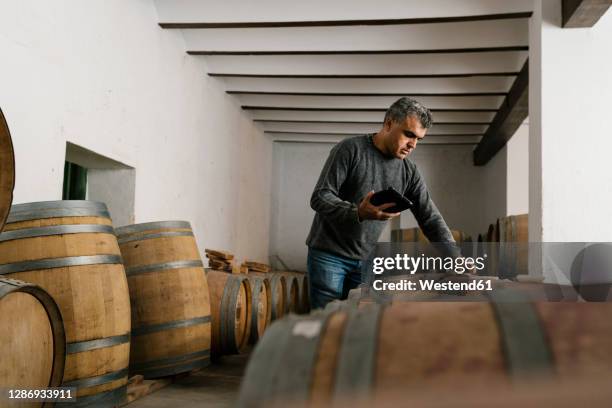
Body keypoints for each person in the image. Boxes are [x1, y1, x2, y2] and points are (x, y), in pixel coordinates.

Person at [305, 97, 458, 309]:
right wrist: (357, 212)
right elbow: (320, 196)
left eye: (418, 139)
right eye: (409, 134)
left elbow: (430, 217)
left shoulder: (409, 172)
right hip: (329, 256)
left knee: (358, 322)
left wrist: (455, 258)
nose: (413, 145)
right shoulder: (350, 149)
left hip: (366, 261)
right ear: (388, 123)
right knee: (326, 322)